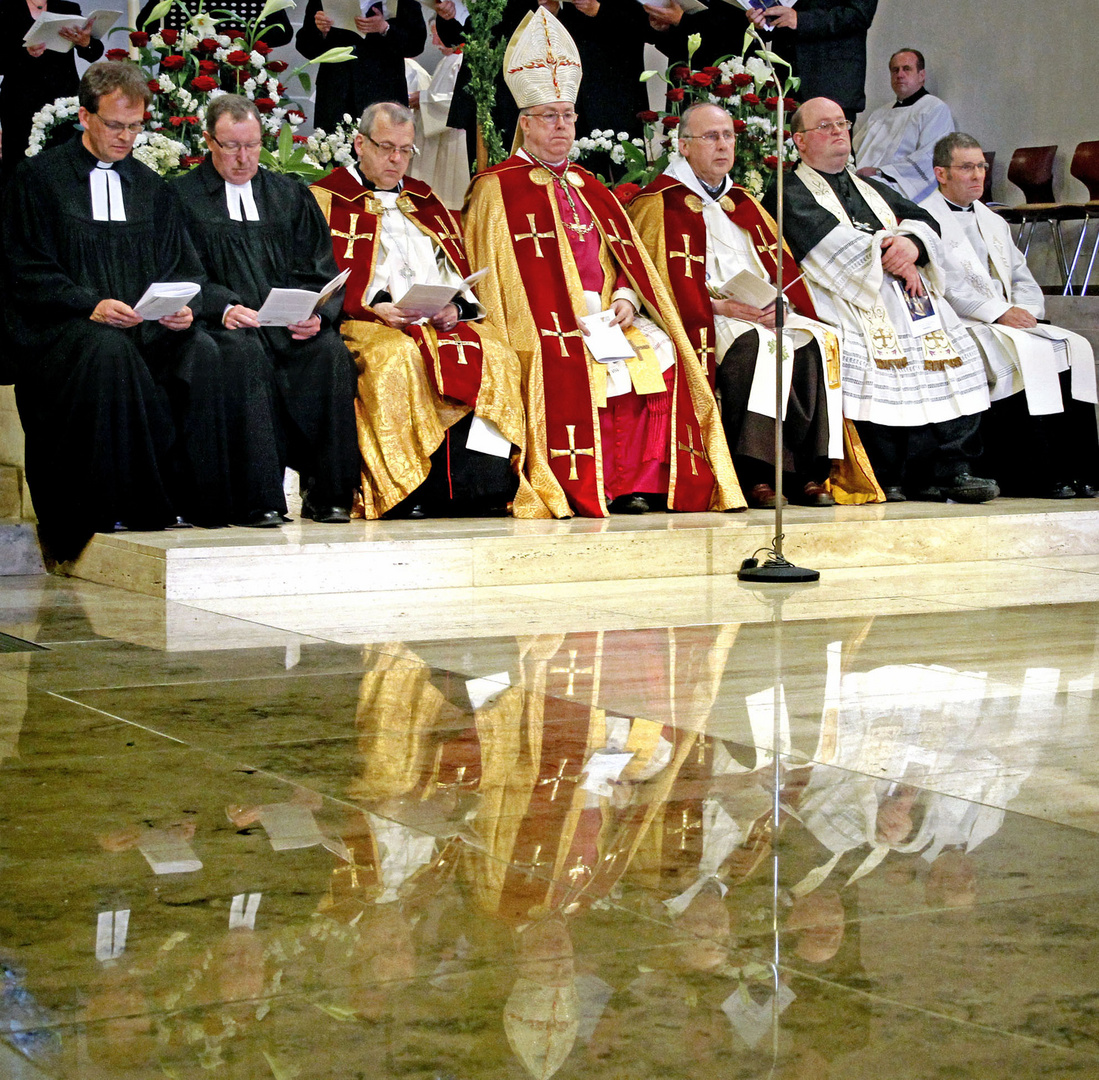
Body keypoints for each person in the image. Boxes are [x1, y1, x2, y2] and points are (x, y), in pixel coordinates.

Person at [464, 7, 742, 518]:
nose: (563, 127)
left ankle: (644, 483)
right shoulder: (494, 189)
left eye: (568, 116)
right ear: (524, 123)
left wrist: (625, 299)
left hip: (608, 316)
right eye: (550, 117)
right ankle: (594, 484)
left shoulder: (591, 187)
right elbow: (495, 283)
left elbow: (625, 262)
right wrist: (560, 319)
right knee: (569, 360)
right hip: (542, 324)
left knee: (664, 356)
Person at [2, 61, 268, 559]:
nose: (127, 137)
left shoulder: (151, 187)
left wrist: (179, 309)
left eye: (136, 126)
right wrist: (90, 305)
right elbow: (25, 267)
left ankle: (193, 502)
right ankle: (115, 503)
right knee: (109, 352)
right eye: (116, 126)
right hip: (64, 330)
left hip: (141, 327)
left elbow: (178, 266)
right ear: (85, 117)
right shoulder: (38, 180)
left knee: (204, 349)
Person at [630, 102, 884, 508]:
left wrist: (780, 302)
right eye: (711, 136)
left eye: (728, 135)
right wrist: (718, 309)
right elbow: (653, 284)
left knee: (815, 341)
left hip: (761, 310)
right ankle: (755, 475)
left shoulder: (744, 201)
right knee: (755, 348)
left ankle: (806, 473)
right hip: (710, 316)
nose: (723, 145)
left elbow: (778, 264)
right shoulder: (657, 203)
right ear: (683, 146)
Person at [767, 96, 996, 503]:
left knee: (953, 342)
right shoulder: (787, 191)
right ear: (799, 142)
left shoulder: (870, 186)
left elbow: (925, 220)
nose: (839, 131)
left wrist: (911, 245)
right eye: (826, 126)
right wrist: (892, 254)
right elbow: (822, 241)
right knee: (872, 354)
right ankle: (888, 472)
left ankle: (950, 468)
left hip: (902, 291)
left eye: (842, 124)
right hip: (845, 292)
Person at [310, 101, 527, 519]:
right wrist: (375, 308)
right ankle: (404, 488)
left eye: (406, 150)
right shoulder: (326, 199)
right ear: (359, 143)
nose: (397, 159)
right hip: (364, 321)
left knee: (497, 352)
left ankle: (478, 487)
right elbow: (319, 278)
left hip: (432, 318)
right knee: (398, 358)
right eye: (386, 147)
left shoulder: (423, 199)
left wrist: (456, 307)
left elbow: (453, 267)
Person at [173, 94, 360, 524]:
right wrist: (221, 307)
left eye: (253, 145)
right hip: (226, 326)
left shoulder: (289, 195)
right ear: (208, 142)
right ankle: (259, 498)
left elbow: (319, 268)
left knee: (330, 353)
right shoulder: (181, 198)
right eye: (231, 146)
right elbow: (178, 270)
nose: (243, 158)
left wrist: (316, 314)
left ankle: (328, 493)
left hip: (289, 326)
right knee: (243, 353)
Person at [921, 132, 1099, 498]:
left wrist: (1028, 311)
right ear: (941, 173)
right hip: (963, 322)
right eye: (966, 167)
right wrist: (1000, 312)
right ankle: (1037, 476)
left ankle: (1078, 472)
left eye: (981, 167)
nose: (977, 175)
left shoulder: (994, 220)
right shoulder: (923, 221)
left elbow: (1022, 276)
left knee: (1074, 347)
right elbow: (945, 286)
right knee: (1025, 355)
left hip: (1008, 318)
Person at [0, 0, 103, 176]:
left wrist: (85, 42)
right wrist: (25, 52)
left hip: (62, 99)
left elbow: (94, 52)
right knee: (20, 163)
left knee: (65, 163)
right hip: (20, 101)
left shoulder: (67, 8)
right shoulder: (6, 9)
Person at [295, 0, 426, 135]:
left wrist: (384, 28)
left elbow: (416, 44)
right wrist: (320, 30)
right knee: (334, 150)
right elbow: (305, 46)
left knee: (384, 148)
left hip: (384, 92)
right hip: (336, 94)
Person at [746, 0, 878, 122]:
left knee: (831, 142)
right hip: (787, 76)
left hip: (831, 79)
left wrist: (801, 20)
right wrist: (764, 19)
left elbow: (859, 14)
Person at [851, 49, 955, 204]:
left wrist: (881, 173)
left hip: (898, 189)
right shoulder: (880, 113)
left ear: (921, 75)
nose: (899, 74)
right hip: (860, 183)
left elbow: (931, 158)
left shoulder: (934, 109)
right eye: (895, 70)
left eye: (907, 69)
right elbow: (855, 149)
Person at [404, 18, 469, 211]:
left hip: (454, 140)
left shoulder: (462, 62)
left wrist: (422, 99)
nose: (434, 42)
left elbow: (461, 102)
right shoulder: (447, 61)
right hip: (437, 138)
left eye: (435, 35)